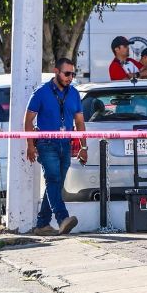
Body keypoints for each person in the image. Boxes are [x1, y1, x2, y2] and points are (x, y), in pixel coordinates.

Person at [25, 58, 86, 236]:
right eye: (67, 74)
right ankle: (62, 219)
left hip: (65, 143)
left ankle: (42, 224)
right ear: (56, 71)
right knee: (53, 179)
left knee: (56, 184)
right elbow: (28, 120)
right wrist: (30, 145)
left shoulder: (74, 93)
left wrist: (84, 147)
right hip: (46, 143)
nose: (70, 78)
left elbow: (80, 122)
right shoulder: (41, 92)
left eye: (72, 74)